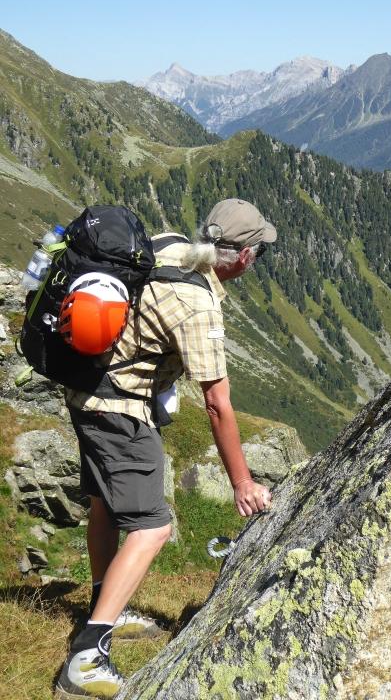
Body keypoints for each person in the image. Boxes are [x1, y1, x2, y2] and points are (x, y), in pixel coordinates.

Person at [55, 198, 277, 699]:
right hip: (119, 410)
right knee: (153, 527)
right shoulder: (198, 303)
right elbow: (218, 404)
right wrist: (242, 483)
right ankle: (86, 659)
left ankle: (102, 606)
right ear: (242, 256)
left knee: (105, 505)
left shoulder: (170, 245)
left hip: (85, 387)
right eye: (258, 251)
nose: (257, 260)